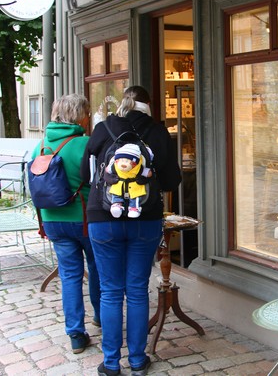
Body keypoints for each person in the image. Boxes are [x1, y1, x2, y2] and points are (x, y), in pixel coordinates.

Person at [81, 86, 181, 376]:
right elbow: (171, 181)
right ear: (147, 105)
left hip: (103, 217)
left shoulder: (102, 129)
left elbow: (85, 175)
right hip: (144, 218)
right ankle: (137, 360)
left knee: (111, 291)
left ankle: (111, 363)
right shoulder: (158, 131)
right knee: (137, 290)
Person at [31, 94, 100, 354]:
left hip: (52, 220)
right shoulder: (85, 143)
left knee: (70, 275)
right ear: (79, 116)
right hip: (84, 220)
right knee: (97, 269)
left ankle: (76, 334)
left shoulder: (40, 146)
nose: (88, 118)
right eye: (87, 113)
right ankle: (100, 317)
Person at [104, 143, 154, 218]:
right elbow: (149, 173)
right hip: (120, 185)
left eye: (127, 161)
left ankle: (134, 208)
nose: (124, 164)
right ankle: (116, 205)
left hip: (133, 186)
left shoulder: (138, 168)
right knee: (116, 194)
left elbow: (107, 170)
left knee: (135, 196)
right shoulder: (115, 166)